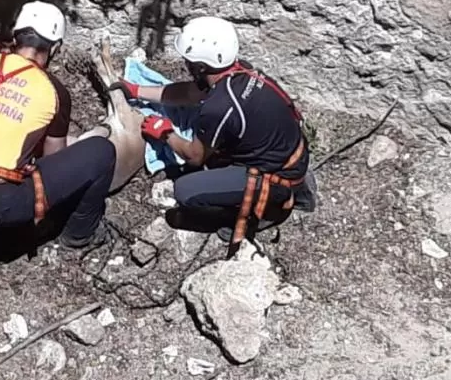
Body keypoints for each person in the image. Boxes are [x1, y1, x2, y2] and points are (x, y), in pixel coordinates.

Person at [0, 0, 116, 270]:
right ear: (55, 48)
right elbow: (54, 157)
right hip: (0, 207)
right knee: (102, 152)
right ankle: (78, 235)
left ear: (15, 36)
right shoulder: (51, 90)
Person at [109, 15, 316, 250]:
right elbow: (189, 93)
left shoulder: (220, 107)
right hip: (291, 153)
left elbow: (194, 155)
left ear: (200, 66)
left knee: (185, 191)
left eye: (188, 60)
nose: (185, 64)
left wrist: (165, 133)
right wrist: (137, 90)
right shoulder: (240, 72)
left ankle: (268, 209)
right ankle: (288, 188)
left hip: (277, 174)